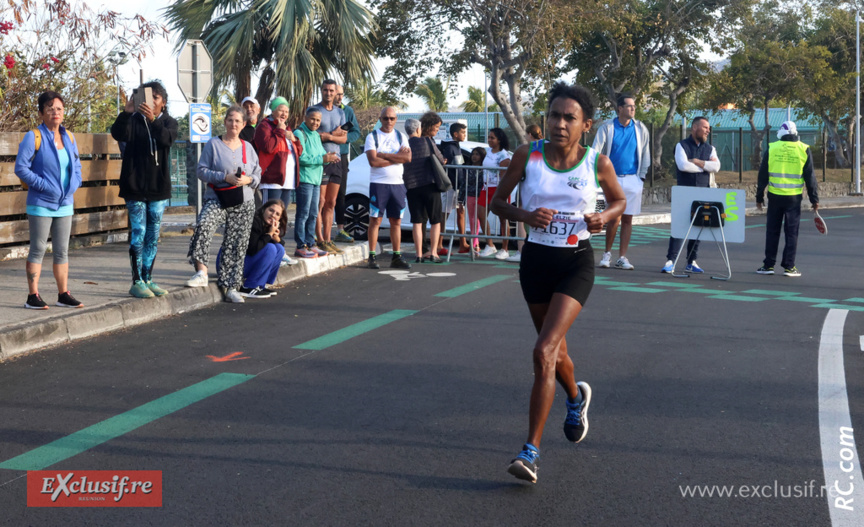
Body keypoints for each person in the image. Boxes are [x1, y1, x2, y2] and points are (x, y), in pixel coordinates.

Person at [490, 81, 625, 484]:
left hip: (575, 264)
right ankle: (575, 396)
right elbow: (498, 202)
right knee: (557, 351)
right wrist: (525, 216)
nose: (559, 124)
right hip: (535, 261)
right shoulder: (526, 156)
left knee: (544, 349)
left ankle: (529, 451)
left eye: (569, 118)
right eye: (554, 115)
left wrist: (604, 217)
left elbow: (618, 200)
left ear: (585, 125)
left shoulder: (596, 163)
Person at [14, 90, 84, 309]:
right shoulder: (33, 136)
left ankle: (63, 294)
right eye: (50, 108)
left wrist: (75, 183)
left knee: (62, 250)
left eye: (59, 108)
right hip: (41, 203)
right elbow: (20, 168)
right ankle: (32, 296)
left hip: (65, 204)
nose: (55, 112)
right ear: (41, 112)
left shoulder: (69, 137)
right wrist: (44, 186)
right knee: (38, 249)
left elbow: (77, 166)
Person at [186, 106, 262, 303]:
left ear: (244, 124)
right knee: (204, 224)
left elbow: (258, 173)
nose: (234, 124)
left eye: (238, 121)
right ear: (225, 122)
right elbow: (201, 171)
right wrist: (224, 177)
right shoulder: (213, 144)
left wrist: (249, 180)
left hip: (244, 200)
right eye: (230, 120)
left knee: (237, 243)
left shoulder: (248, 147)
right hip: (217, 197)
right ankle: (201, 272)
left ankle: (231, 286)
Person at [110, 80, 179, 299]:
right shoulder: (133, 120)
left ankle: (148, 278)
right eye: (146, 98)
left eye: (155, 98)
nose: (150, 102)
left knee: (153, 235)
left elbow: (166, 139)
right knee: (138, 233)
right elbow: (118, 134)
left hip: (158, 188)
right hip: (135, 187)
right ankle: (136, 281)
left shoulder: (169, 122)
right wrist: (127, 112)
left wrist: (153, 120)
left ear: (163, 103)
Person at [592, 94, 650, 271]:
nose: (633, 109)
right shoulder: (607, 128)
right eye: (629, 106)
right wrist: (598, 176)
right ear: (620, 109)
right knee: (613, 218)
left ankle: (622, 257)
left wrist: (641, 178)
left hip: (633, 179)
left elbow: (646, 153)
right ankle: (607, 254)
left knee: (627, 219)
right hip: (612, 179)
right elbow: (596, 151)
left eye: (634, 106)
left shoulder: (640, 128)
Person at [755, 121, 818, 277]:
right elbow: (810, 177)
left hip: (775, 197)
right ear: (795, 132)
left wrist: (759, 196)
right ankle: (789, 267)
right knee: (791, 233)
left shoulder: (772, 148)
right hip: (793, 199)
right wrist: (814, 199)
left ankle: (768, 265)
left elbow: (762, 175)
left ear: (780, 133)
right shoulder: (804, 149)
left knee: (772, 232)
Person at [661, 116, 720, 273]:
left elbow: (716, 166)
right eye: (705, 127)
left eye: (708, 128)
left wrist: (698, 162)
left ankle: (691, 261)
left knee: (698, 227)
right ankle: (670, 261)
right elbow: (683, 165)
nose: (708, 130)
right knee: (679, 227)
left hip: (703, 192)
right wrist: (704, 167)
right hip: (684, 192)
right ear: (694, 128)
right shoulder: (681, 146)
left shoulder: (710, 148)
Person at [364, 106, 413, 270]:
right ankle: (371, 256)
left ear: (396, 119)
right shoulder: (372, 137)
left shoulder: (401, 136)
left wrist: (383, 154)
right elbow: (373, 161)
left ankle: (396, 256)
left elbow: (407, 157)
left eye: (392, 118)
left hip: (397, 185)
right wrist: (396, 158)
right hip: (379, 184)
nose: (389, 121)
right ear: (380, 119)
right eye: (386, 118)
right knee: (375, 220)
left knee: (396, 221)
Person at [294, 107, 339, 258]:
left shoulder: (315, 135)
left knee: (313, 213)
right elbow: (300, 158)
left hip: (316, 180)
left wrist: (330, 156)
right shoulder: (299, 134)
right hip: (305, 179)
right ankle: (301, 246)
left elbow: (321, 154)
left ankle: (310, 243)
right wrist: (322, 159)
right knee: (303, 213)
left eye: (318, 120)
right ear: (305, 117)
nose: (315, 122)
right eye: (312, 119)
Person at [403, 116, 446, 263]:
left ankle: (419, 254)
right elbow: (440, 159)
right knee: (435, 220)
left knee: (417, 221)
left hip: (412, 187)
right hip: (430, 184)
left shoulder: (405, 145)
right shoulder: (427, 141)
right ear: (417, 129)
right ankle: (433, 253)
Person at [312, 79, 348, 255]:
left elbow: (344, 138)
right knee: (320, 202)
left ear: (336, 93)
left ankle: (327, 239)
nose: (328, 93)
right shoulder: (315, 110)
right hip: (322, 160)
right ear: (321, 91)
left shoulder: (340, 113)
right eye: (325, 90)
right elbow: (313, 136)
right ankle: (319, 240)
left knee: (332, 202)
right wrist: (333, 134)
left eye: (331, 90)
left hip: (337, 161)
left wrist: (329, 136)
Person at [477, 128, 512, 259]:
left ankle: (505, 248)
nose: (489, 140)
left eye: (492, 138)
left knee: (503, 219)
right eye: (489, 137)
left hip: (498, 189)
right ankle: (490, 245)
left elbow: (504, 176)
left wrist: (501, 192)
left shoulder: (504, 155)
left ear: (499, 140)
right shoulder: (488, 152)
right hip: (486, 188)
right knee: (481, 215)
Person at [241, 199, 287, 298]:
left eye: (277, 214)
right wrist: (269, 234)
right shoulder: (255, 221)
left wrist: (276, 238)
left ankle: (260, 285)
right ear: (264, 210)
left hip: (245, 262)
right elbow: (253, 249)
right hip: (230, 265)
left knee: (279, 248)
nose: (273, 215)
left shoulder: (267, 226)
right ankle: (248, 286)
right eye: (271, 210)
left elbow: (280, 246)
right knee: (270, 248)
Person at [437, 122, 472, 254]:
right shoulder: (449, 148)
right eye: (462, 132)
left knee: (460, 212)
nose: (464, 135)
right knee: (444, 214)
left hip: (459, 187)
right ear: (455, 134)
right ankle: (439, 244)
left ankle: (463, 243)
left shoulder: (456, 147)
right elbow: (451, 169)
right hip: (451, 186)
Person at [333, 85, 361, 243]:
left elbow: (356, 132)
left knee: (341, 194)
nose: (339, 97)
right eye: (337, 94)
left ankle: (340, 229)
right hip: (324, 155)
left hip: (342, 155)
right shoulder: (320, 110)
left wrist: (344, 138)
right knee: (322, 197)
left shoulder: (348, 111)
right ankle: (318, 231)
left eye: (341, 94)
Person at [464, 147, 486, 254]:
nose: (474, 156)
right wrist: (460, 199)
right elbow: (464, 183)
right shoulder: (468, 168)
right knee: (472, 220)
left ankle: (474, 244)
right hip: (470, 196)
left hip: (480, 196)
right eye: (473, 154)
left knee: (479, 219)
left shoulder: (484, 169)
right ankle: (475, 244)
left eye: (477, 154)